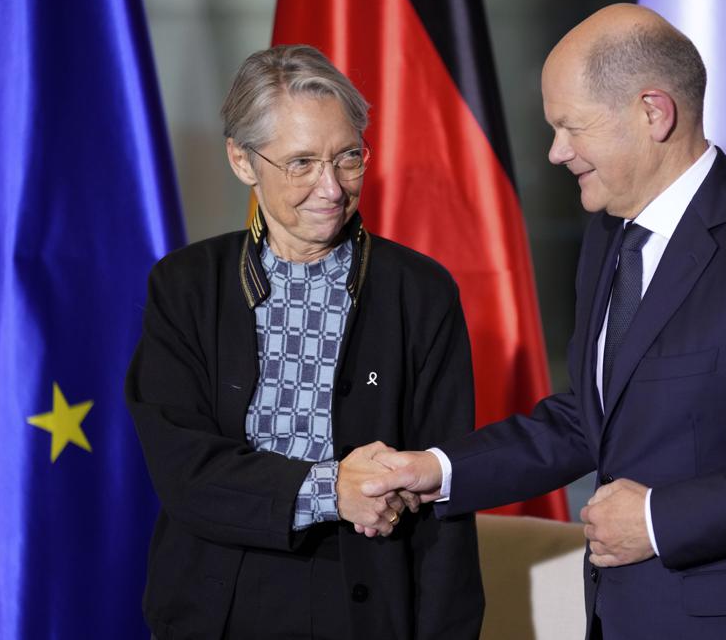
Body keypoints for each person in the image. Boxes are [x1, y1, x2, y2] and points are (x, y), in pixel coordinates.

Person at [363, 3, 726, 640]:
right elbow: (593, 418)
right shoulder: (609, 237)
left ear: (653, 112)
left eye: (571, 127)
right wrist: (439, 471)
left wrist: (658, 519)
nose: (556, 152)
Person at [126, 45, 483, 640]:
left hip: (365, 602)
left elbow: (447, 494)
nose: (332, 188)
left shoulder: (420, 292)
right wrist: (331, 490)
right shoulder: (185, 286)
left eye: (348, 157)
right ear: (243, 161)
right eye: (301, 163)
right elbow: (184, 470)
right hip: (216, 602)